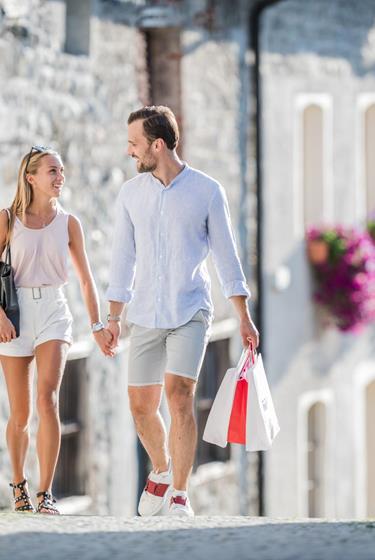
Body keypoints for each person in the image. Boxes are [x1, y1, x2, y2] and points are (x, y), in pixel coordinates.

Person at [106, 106, 259, 517]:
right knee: (141, 406)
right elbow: (123, 259)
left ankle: (178, 493)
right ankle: (160, 470)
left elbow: (227, 256)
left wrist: (242, 316)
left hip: (191, 310)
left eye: (134, 144)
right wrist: (113, 317)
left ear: (157, 145)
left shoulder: (207, 191)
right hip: (145, 314)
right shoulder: (131, 194)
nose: (129, 152)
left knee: (179, 397)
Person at [0, 146, 113, 514]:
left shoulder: (70, 224)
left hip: (54, 311)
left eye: (61, 171)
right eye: (52, 171)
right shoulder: (7, 219)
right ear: (30, 177)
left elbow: (85, 280)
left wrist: (98, 324)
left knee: (48, 399)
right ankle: (19, 485)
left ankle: (46, 493)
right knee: (20, 414)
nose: (60, 177)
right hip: (14, 315)